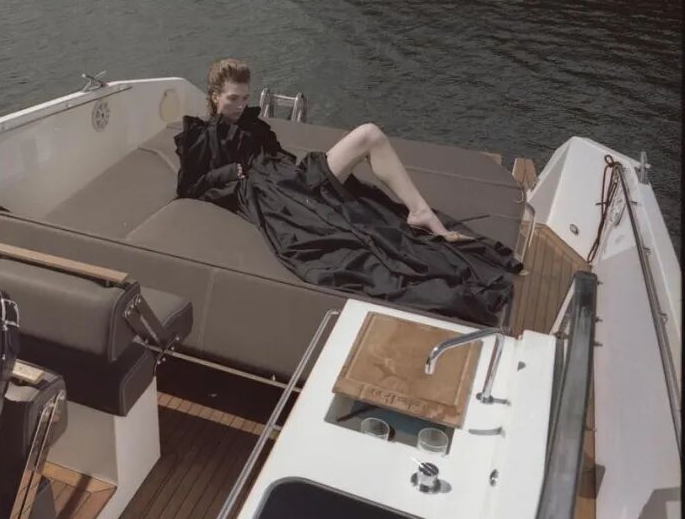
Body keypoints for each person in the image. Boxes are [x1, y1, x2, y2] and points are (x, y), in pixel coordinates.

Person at [174, 59, 522, 326]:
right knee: (363, 241)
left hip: (297, 178)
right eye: (233, 99)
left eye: (245, 98)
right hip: (277, 197)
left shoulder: (254, 125)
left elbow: (278, 155)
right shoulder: (200, 136)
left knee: (370, 134)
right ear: (215, 96)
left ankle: (421, 211)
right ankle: (419, 222)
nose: (239, 105)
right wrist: (231, 172)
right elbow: (189, 186)